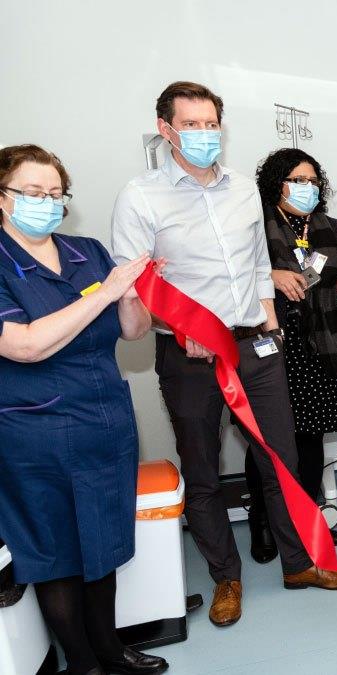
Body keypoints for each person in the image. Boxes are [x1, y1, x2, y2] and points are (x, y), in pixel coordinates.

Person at [111, 82, 337, 629]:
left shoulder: (244, 189)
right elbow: (135, 284)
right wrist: (176, 324)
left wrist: (271, 323)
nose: (204, 135)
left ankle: (299, 563)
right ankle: (227, 577)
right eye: (191, 125)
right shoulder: (140, 196)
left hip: (256, 346)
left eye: (211, 124)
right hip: (189, 355)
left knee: (282, 461)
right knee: (203, 473)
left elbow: (254, 267)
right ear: (166, 129)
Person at [0, 145, 167, 674]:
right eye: (31, 193)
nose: (46, 204)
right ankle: (83, 664)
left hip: (104, 422)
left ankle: (111, 649)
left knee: (105, 543)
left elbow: (134, 332)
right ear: (2, 198)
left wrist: (130, 294)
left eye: (55, 194)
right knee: (57, 556)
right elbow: (26, 345)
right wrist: (103, 294)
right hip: (35, 432)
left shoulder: (87, 251)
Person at [242, 148, 337, 561]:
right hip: (273, 345)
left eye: (313, 180)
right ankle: (263, 524)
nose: (308, 187)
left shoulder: (332, 228)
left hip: (323, 348)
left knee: (311, 437)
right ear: (276, 183)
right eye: (298, 180)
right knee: (270, 444)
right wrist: (270, 275)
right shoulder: (253, 228)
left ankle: (309, 520)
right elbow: (235, 279)